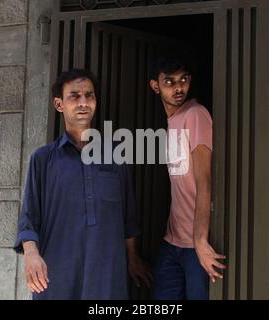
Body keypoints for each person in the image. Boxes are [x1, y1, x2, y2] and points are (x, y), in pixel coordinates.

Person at [14, 69, 151, 299]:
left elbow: (128, 217)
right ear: (59, 104)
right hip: (57, 277)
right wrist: (30, 254)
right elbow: (29, 216)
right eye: (74, 96)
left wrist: (133, 259)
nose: (83, 102)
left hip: (108, 277)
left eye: (89, 95)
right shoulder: (43, 159)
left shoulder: (116, 155)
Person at [149, 56, 226, 300]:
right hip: (172, 241)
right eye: (169, 82)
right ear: (155, 86)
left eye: (183, 80)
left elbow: (205, 181)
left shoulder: (195, 114)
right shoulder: (173, 121)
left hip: (195, 246)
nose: (178, 87)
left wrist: (200, 240)